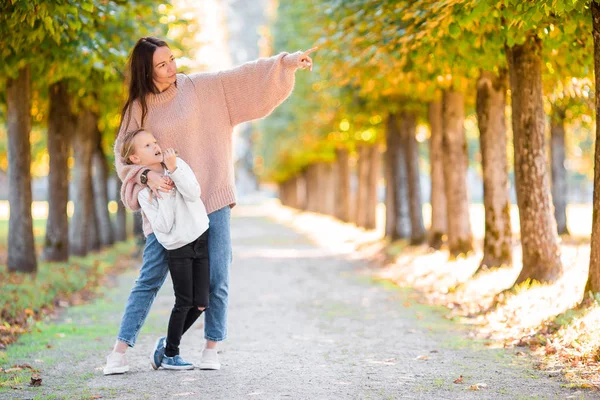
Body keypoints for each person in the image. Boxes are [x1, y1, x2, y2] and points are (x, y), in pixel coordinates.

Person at [103, 36, 316, 375]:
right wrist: (146, 178)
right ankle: (118, 353)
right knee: (150, 278)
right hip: (168, 208)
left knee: (217, 276)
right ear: (146, 70)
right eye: (161, 64)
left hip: (211, 196)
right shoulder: (136, 109)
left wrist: (286, 62)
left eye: (172, 59)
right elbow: (124, 160)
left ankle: (210, 348)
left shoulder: (202, 88)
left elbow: (244, 77)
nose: (171, 67)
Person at [117, 127, 210, 371]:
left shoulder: (177, 165)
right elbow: (163, 226)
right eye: (147, 145)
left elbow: (193, 193)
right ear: (135, 159)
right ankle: (171, 354)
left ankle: (167, 342)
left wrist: (175, 170)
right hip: (177, 246)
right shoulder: (144, 192)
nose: (155, 146)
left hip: (200, 238)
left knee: (201, 303)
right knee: (184, 300)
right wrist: (164, 195)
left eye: (154, 142)